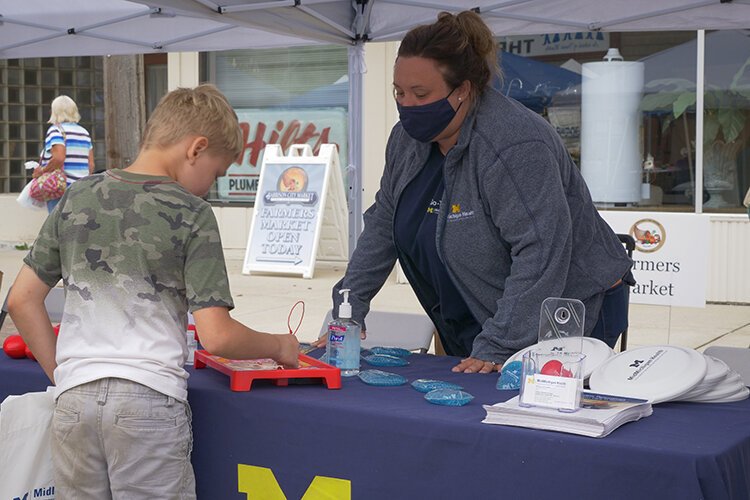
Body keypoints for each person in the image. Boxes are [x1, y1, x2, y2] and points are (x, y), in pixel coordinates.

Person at [7, 84, 299, 499]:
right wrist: (279, 347)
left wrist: (65, 374)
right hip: (147, 404)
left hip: (73, 402)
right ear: (196, 149)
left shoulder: (78, 196)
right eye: (216, 174)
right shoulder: (192, 213)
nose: (208, 187)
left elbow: (21, 299)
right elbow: (216, 336)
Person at [328, 11, 633, 374]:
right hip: (483, 306)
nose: (406, 104)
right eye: (399, 92)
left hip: (571, 308)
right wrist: (349, 305)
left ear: (463, 90)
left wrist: (499, 344)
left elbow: (542, 250)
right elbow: (383, 225)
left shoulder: (514, 143)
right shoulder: (405, 141)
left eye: (421, 93)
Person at [32, 95, 95, 212]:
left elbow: (59, 158)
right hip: (82, 187)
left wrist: (42, 171)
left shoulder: (55, 130)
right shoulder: (84, 132)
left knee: (58, 224)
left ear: (54, 111)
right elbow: (90, 165)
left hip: (62, 188)